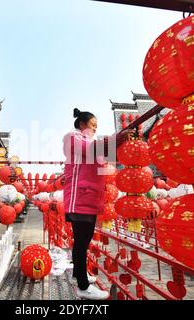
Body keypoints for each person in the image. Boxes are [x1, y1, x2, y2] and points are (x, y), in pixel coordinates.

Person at [63, 108, 129, 300]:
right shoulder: (73, 138)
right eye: (93, 125)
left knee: (83, 240)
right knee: (82, 242)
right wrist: (115, 139)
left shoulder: (93, 144)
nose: (95, 129)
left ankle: (78, 275)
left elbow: (104, 160)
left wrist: (117, 145)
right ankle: (83, 287)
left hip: (90, 199)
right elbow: (93, 149)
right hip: (80, 199)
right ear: (82, 125)